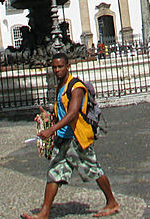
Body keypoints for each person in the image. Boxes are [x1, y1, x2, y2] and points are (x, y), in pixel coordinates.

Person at [24, 53, 119, 219]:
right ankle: (45, 212)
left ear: (68, 66)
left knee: (94, 169)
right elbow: (61, 112)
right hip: (64, 138)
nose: (57, 70)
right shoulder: (60, 86)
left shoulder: (76, 87)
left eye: (60, 66)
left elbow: (73, 113)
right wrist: (49, 116)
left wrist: (51, 130)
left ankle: (111, 202)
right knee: (54, 172)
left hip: (78, 138)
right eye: (54, 67)